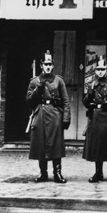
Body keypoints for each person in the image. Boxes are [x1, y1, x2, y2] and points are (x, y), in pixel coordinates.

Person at [25, 50, 71, 183]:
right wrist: (37, 89)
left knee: (56, 145)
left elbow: (66, 101)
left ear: (53, 65)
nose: (48, 67)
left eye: (50, 64)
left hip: (55, 116)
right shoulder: (35, 81)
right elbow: (28, 101)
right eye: (46, 64)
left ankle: (57, 173)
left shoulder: (59, 81)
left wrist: (66, 118)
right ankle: (43, 173)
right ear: (41, 65)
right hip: (39, 115)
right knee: (40, 145)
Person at [83, 55, 107, 183]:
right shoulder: (92, 84)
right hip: (94, 119)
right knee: (97, 147)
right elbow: (85, 103)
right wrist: (89, 94)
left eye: (102, 69)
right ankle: (98, 173)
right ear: (95, 71)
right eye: (98, 69)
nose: (100, 71)